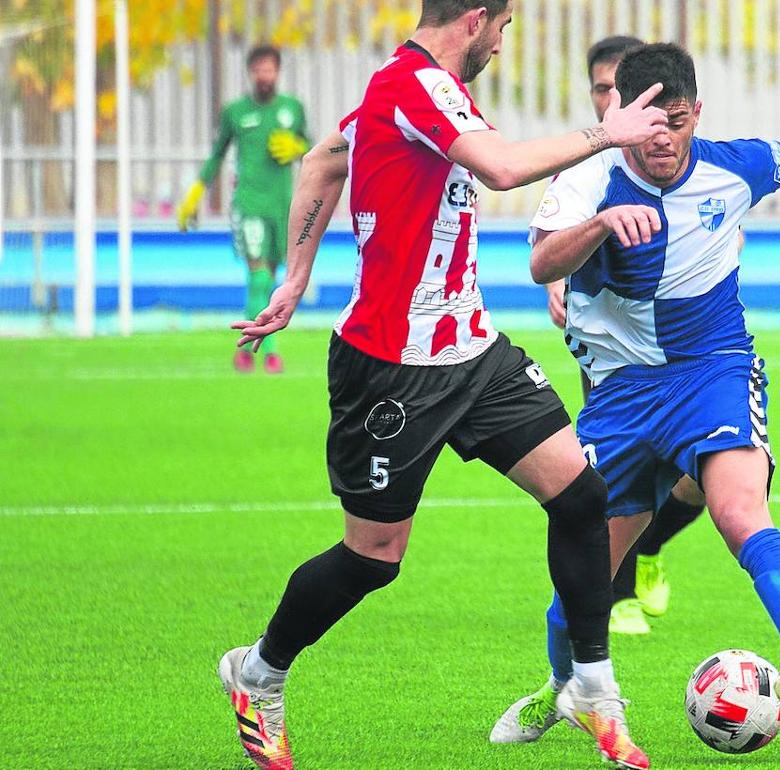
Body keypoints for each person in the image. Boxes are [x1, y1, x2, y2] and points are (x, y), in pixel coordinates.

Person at [217, 1, 670, 768]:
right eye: (503, 27)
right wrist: (607, 133)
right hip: (391, 366)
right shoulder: (413, 84)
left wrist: (296, 279)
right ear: (475, 18)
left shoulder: (419, 91)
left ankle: (592, 687)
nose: (502, 42)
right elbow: (498, 170)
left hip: (472, 350)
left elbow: (327, 160)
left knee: (581, 494)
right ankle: (257, 673)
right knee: (373, 558)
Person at [490, 42, 780, 747]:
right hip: (621, 393)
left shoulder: (728, 166)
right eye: (648, 121)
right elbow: (541, 262)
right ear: (619, 114)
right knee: (584, 574)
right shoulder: (588, 179)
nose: (663, 136)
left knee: (738, 510)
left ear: (698, 114)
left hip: (711, 370)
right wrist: (599, 226)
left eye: (679, 118)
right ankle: (561, 688)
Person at [547, 35, 711, 638]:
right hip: (612, 346)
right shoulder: (584, 164)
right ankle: (612, 598)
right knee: (614, 478)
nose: (614, 99)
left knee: (701, 476)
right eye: (604, 89)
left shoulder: (682, 155)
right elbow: (551, 244)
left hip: (689, 345)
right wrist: (555, 287)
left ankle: (648, 549)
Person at [176, 45, 309, 374]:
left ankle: (250, 350)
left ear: (277, 72)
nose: (264, 75)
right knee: (259, 276)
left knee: (274, 280)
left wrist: (297, 148)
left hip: (282, 205)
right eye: (259, 69)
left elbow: (312, 147)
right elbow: (217, 154)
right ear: (251, 72)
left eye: (270, 69)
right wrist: (195, 193)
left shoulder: (292, 109)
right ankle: (268, 351)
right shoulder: (235, 112)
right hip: (249, 202)